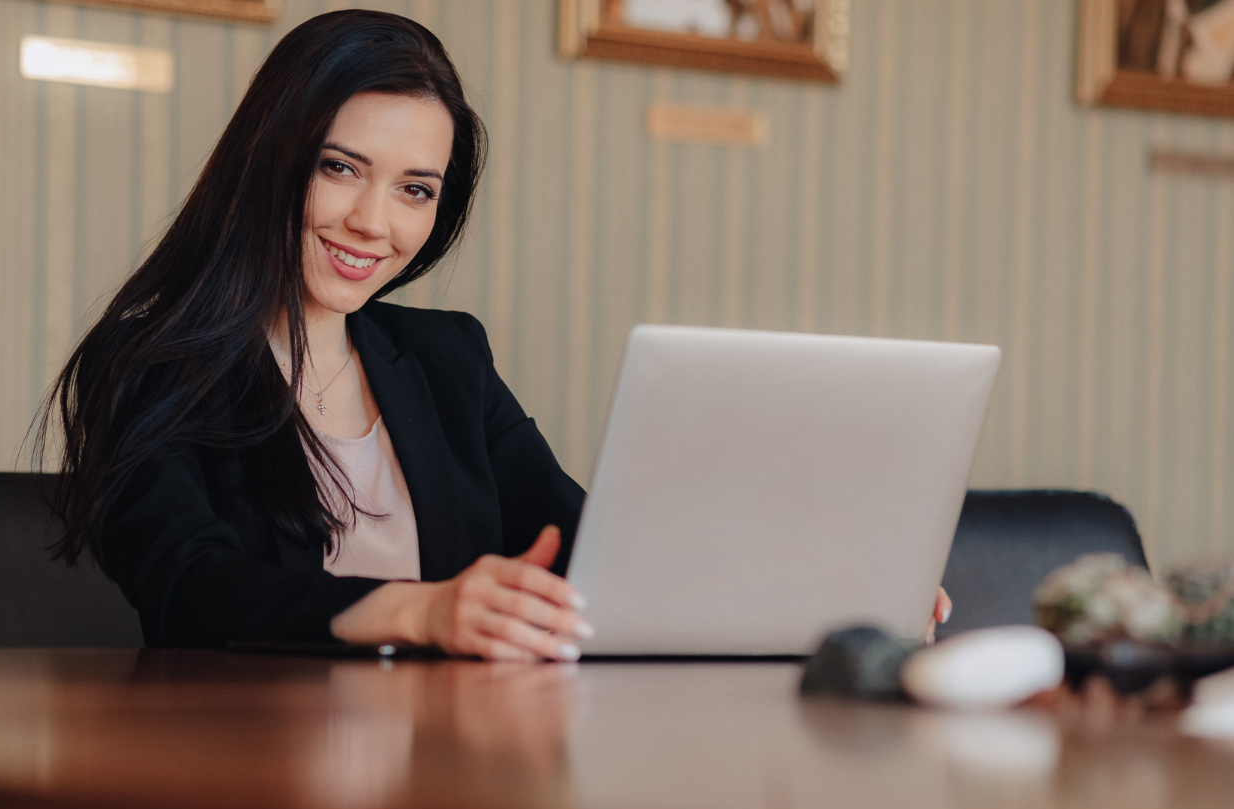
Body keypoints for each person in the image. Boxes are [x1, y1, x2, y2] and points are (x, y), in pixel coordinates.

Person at [46, 10, 949, 660]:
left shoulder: (447, 361)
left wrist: (835, 596)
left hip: (457, 768)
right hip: (244, 781)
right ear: (269, 161)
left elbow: (597, 549)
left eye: (415, 190)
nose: (373, 222)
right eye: (340, 168)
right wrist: (421, 612)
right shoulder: (146, 362)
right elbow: (190, 588)